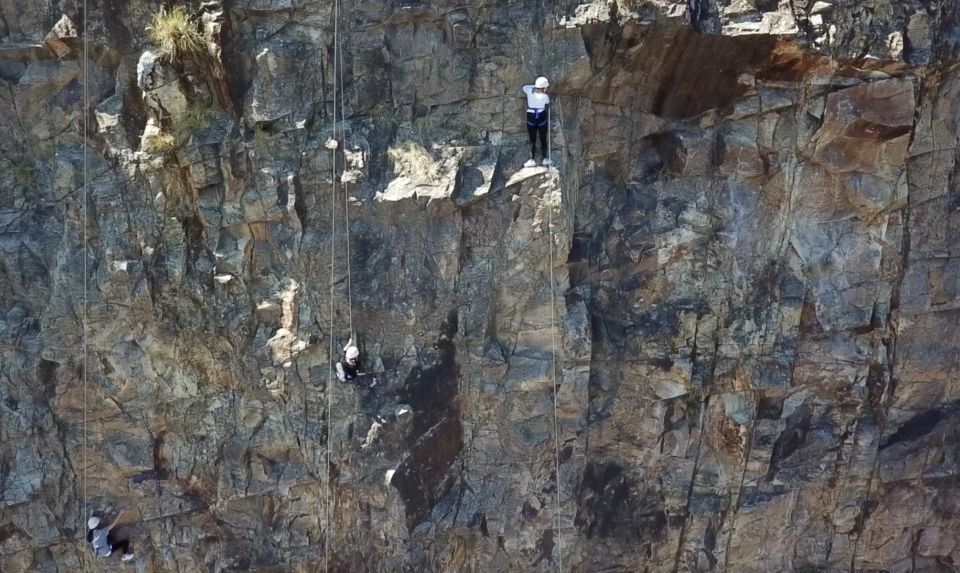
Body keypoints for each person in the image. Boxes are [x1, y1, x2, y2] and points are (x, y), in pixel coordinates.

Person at [522, 76, 552, 168]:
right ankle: (545, 159)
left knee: (532, 139)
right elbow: (547, 104)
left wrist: (534, 87)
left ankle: (532, 160)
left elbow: (524, 87)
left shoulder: (529, 92)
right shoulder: (545, 96)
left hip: (531, 118)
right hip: (541, 119)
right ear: (544, 88)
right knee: (543, 139)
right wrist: (538, 87)